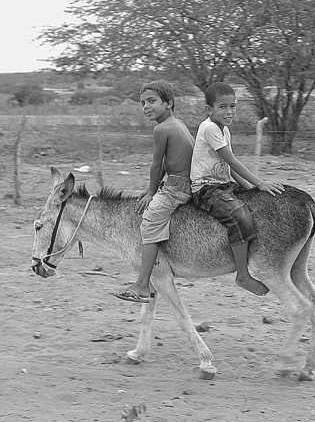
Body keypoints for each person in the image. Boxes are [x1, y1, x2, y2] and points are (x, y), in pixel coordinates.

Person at [191, 82, 285, 296]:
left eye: (233, 106)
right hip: (206, 188)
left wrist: (250, 189)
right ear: (209, 110)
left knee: (256, 204)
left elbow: (227, 167)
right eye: (222, 107)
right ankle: (242, 274)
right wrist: (260, 183)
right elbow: (231, 161)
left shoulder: (225, 131)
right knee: (239, 216)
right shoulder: (209, 128)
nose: (229, 112)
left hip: (223, 183)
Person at [114, 80, 195, 303]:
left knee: (148, 224)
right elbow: (167, 165)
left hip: (177, 188)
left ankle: (141, 285)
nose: (146, 107)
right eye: (142, 103)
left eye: (152, 101)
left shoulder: (162, 128)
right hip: (181, 182)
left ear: (168, 103)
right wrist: (151, 188)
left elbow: (156, 165)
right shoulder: (177, 124)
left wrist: (151, 193)